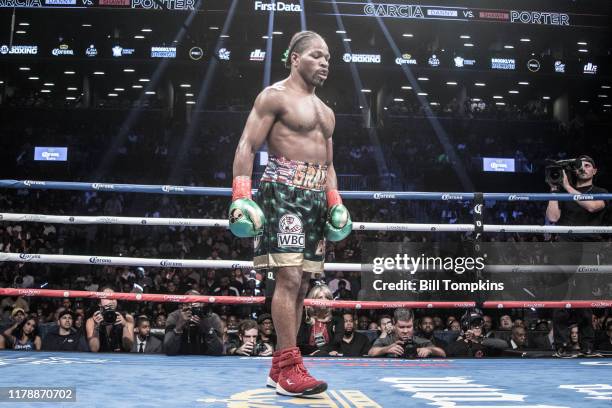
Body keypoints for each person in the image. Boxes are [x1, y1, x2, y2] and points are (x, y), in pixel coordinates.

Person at [228, 30, 352, 396]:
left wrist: (335, 202)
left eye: (328, 57)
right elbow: (248, 144)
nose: (324, 62)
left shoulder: (326, 112)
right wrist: (240, 194)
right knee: (289, 280)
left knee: (302, 289)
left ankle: (279, 367)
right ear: (295, 59)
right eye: (316, 55)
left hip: (315, 197)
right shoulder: (274, 96)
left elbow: (329, 164)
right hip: (282, 192)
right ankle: (291, 366)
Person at [546, 155, 606, 356]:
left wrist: (568, 187)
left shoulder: (601, 192)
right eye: (579, 166)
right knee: (561, 298)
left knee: (585, 298)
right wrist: (555, 190)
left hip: (589, 247)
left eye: (587, 165)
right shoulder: (563, 193)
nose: (582, 168)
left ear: (594, 171)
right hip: (565, 246)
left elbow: (592, 206)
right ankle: (561, 346)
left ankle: (587, 346)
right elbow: (553, 217)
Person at [163, 290, 223, 356]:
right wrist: (178, 327)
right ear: (183, 306)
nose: (191, 309)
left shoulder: (211, 317)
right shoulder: (174, 316)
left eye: (195, 305)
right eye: (188, 304)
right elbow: (168, 351)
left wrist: (208, 329)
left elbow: (218, 351)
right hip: (180, 359)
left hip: (205, 359)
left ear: (202, 304)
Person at [368, 308, 446, 358]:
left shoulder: (419, 341)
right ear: (394, 324)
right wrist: (386, 349)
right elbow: (371, 352)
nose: (405, 331)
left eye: (409, 327)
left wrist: (429, 350)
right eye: (401, 327)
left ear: (413, 325)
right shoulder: (386, 340)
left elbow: (442, 353)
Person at [85, 286, 135, 352]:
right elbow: (94, 349)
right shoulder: (92, 321)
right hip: (101, 359)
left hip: (121, 359)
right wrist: (96, 327)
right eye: (107, 298)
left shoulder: (127, 318)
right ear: (99, 303)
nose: (111, 301)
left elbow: (128, 347)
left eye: (113, 298)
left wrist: (125, 326)